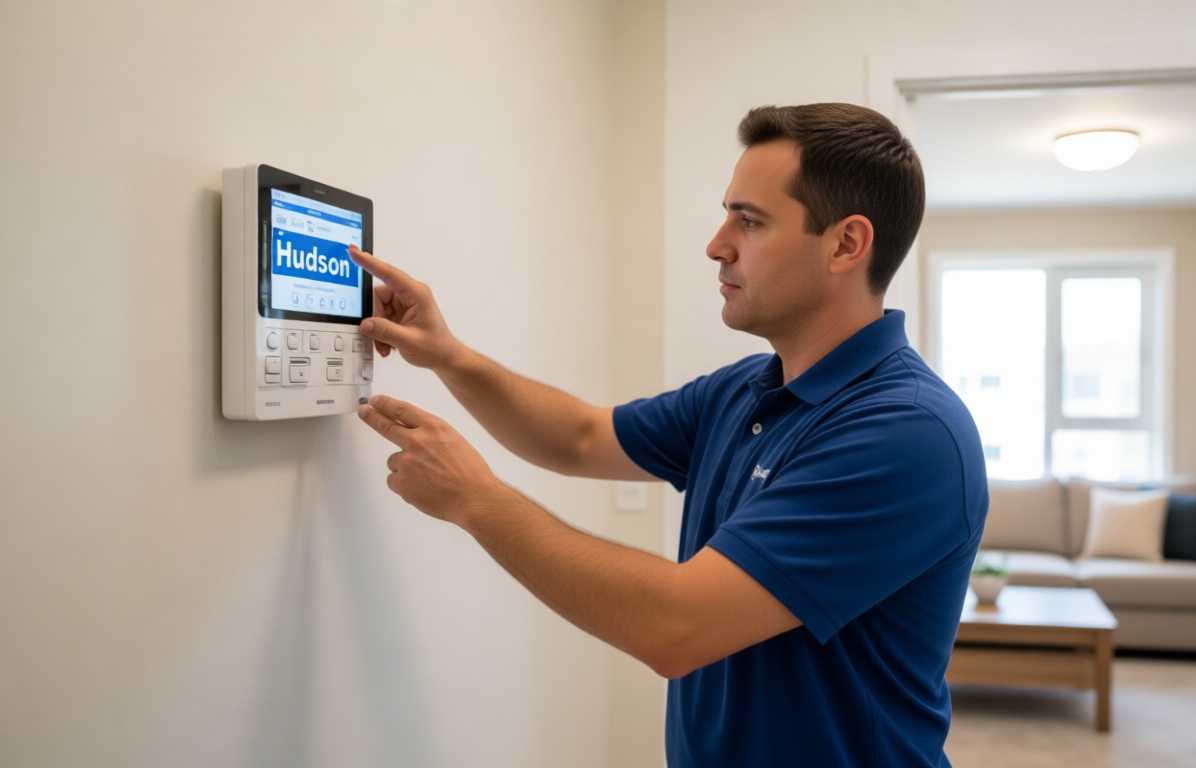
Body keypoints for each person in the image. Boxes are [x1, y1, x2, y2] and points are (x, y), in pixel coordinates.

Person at [349, 102, 988, 768]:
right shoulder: (745, 388)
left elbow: (676, 626)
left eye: (749, 220)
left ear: (846, 244)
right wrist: (448, 354)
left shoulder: (908, 433)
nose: (717, 244)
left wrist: (473, 499)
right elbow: (578, 438)